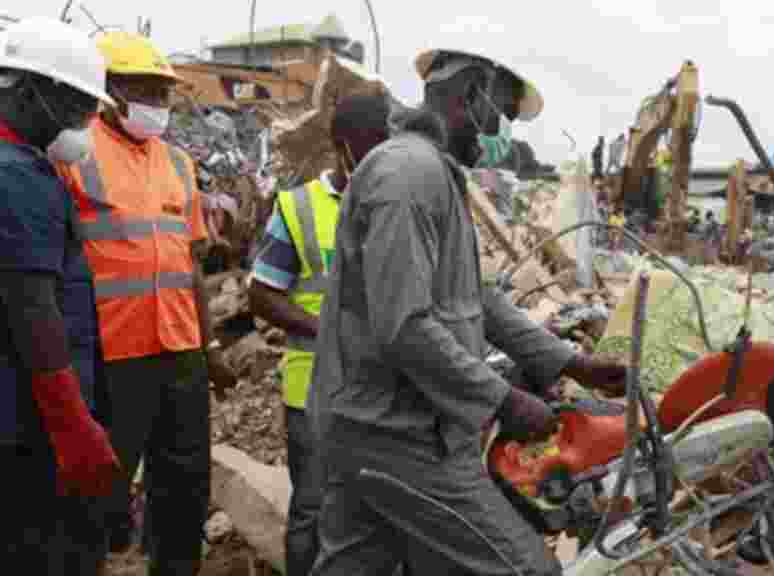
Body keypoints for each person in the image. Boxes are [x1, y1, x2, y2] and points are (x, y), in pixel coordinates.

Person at [307, 48, 629, 576]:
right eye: (498, 113)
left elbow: (472, 298)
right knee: (525, 568)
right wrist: (502, 400)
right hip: (403, 436)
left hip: (373, 427)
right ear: (470, 95)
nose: (498, 131)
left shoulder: (431, 174)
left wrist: (572, 364)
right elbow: (405, 325)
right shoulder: (409, 176)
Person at [54, 31, 235, 574]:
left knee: (183, 487)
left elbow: (191, 266)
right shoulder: (75, 154)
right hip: (112, 352)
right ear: (109, 90)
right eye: (146, 90)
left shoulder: (178, 164)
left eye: (164, 92)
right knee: (100, 487)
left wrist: (209, 347)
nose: (157, 104)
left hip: (179, 350)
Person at [248, 92, 393, 576]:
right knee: (312, 505)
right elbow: (262, 294)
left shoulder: (396, 204)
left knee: (375, 509)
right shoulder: (298, 208)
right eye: (367, 150)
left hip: (381, 391)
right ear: (341, 147)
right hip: (311, 386)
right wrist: (328, 330)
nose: (377, 162)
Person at [0, 17, 121, 574]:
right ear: (25, 92)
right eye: (73, 106)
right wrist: (74, 428)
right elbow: (34, 310)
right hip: (27, 430)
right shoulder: (19, 176)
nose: (83, 124)